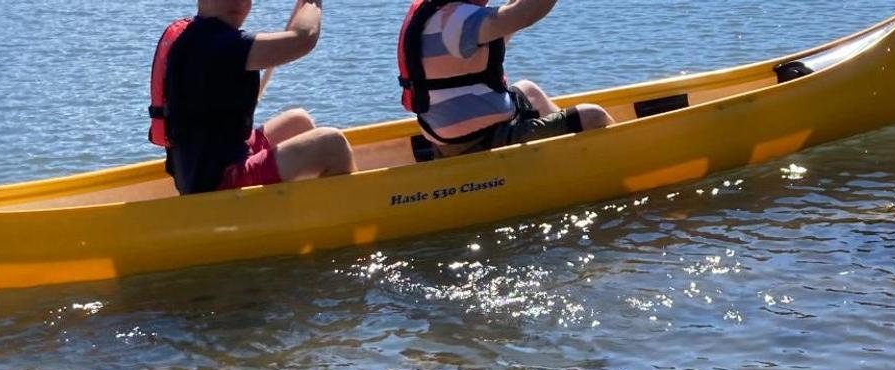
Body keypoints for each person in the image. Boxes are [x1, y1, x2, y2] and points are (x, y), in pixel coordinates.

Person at [149, 0, 355, 194]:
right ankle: (355, 212)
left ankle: (306, 210)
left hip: (207, 170)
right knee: (332, 145)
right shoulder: (218, 44)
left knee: (298, 121)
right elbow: (302, 38)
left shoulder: (197, 35)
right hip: (220, 185)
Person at [397, 0, 613, 157]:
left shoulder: (439, 15)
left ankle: (572, 154)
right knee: (593, 116)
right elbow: (525, 13)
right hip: (480, 143)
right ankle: (606, 163)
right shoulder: (458, 21)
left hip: (451, 140)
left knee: (528, 90)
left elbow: (507, 24)